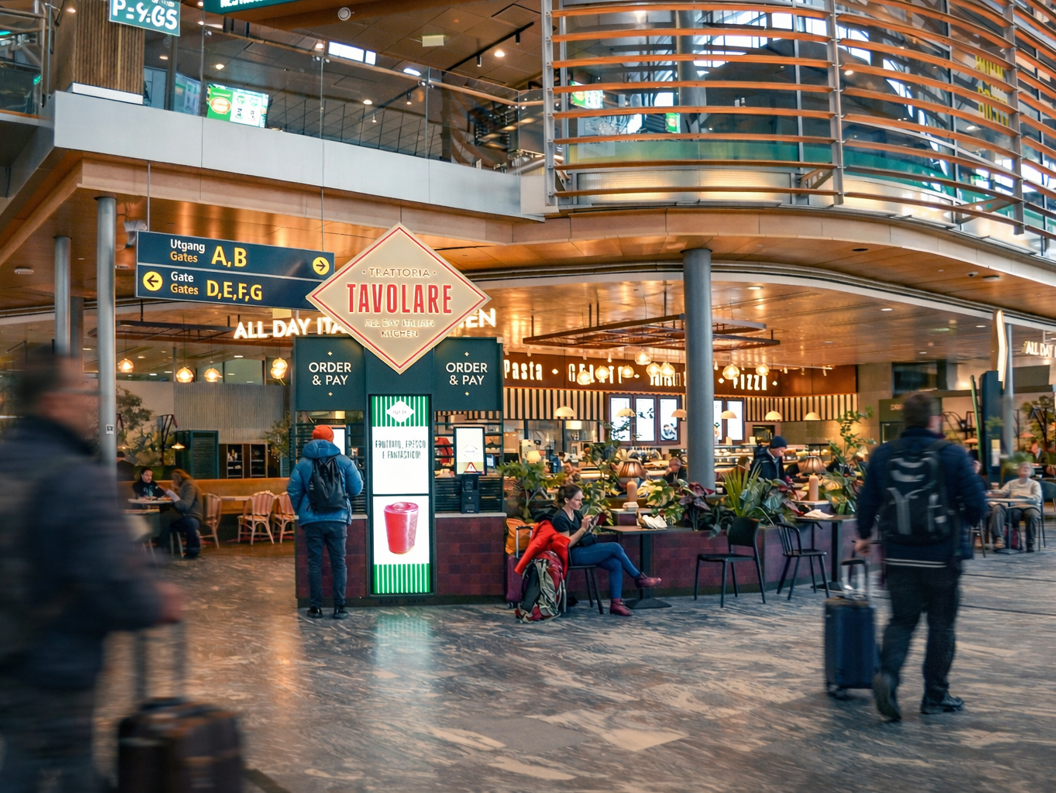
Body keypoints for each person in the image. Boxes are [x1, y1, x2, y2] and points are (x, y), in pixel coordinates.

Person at [0, 351, 181, 791]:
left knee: (23, 756)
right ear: (53, 402)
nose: (89, 403)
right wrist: (158, 599)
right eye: (82, 392)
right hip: (56, 662)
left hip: (8, 652)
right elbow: (117, 580)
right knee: (64, 763)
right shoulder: (78, 480)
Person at [855, 391, 987, 721]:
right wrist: (964, 524)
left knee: (902, 621)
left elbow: (867, 501)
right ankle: (935, 697)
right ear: (934, 420)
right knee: (941, 627)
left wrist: (863, 536)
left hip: (899, 557)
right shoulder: (953, 454)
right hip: (943, 558)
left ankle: (888, 677)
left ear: (905, 420)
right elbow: (977, 506)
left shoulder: (883, 454)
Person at [288, 424, 363, 619]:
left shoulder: (302, 463)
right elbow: (356, 489)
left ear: (312, 439)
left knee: (314, 563)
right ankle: (340, 607)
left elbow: (293, 490)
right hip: (338, 519)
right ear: (332, 439)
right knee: (339, 562)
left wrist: (302, 511)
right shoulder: (344, 461)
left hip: (312, 520)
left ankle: (316, 608)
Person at [550, 484, 660, 617]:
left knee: (616, 564)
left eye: (581, 499)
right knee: (615, 547)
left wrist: (590, 526)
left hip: (584, 549)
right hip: (572, 555)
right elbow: (566, 545)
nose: (581, 503)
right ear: (567, 500)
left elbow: (582, 536)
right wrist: (583, 529)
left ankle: (616, 604)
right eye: (578, 500)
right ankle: (639, 578)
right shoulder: (560, 517)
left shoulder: (576, 513)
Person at [987, 461, 1042, 551]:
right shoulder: (1011, 483)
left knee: (1032, 515)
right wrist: (992, 492)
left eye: (1027, 468)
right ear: (1018, 471)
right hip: (1014, 507)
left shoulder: (1035, 484)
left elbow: (1037, 498)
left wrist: (1021, 497)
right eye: (1022, 468)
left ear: (1031, 471)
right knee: (998, 508)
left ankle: (1030, 543)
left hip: (1030, 506)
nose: (1025, 469)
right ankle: (999, 539)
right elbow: (1003, 492)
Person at [159, 469, 204, 560]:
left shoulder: (189, 485)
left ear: (178, 479)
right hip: (187, 515)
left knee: (166, 519)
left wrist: (171, 493)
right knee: (166, 518)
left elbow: (185, 506)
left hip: (193, 516)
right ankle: (163, 547)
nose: (173, 482)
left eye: (173, 480)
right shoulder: (185, 486)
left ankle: (162, 548)